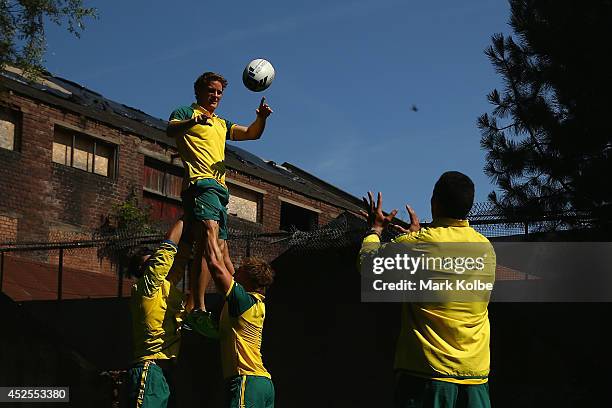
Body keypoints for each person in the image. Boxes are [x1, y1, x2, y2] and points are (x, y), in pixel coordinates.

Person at [359, 171, 496, 408]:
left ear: (434, 203)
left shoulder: (418, 244)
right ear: (469, 206)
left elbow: (367, 266)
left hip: (426, 377)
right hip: (475, 378)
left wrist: (375, 231)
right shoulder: (486, 248)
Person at [166, 71, 273, 337]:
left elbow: (251, 134)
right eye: (211, 91)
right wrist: (193, 121)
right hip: (201, 185)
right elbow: (170, 129)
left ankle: (194, 307)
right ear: (199, 91)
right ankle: (198, 309)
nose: (215, 96)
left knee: (213, 249)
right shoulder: (185, 112)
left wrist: (261, 118)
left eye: (219, 92)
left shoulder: (220, 123)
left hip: (220, 191)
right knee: (209, 245)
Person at [203, 220, 275, 408]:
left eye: (239, 272)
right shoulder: (254, 302)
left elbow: (216, 266)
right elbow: (225, 261)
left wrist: (209, 229)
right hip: (263, 384)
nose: (234, 273)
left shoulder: (242, 300)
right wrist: (222, 231)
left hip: (247, 380)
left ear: (248, 280)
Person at [127, 219, 188, 408]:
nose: (155, 262)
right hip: (150, 369)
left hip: (165, 373)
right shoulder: (145, 288)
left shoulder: (165, 286)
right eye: (150, 261)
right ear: (141, 269)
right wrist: (188, 216)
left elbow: (180, 258)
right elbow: (168, 249)